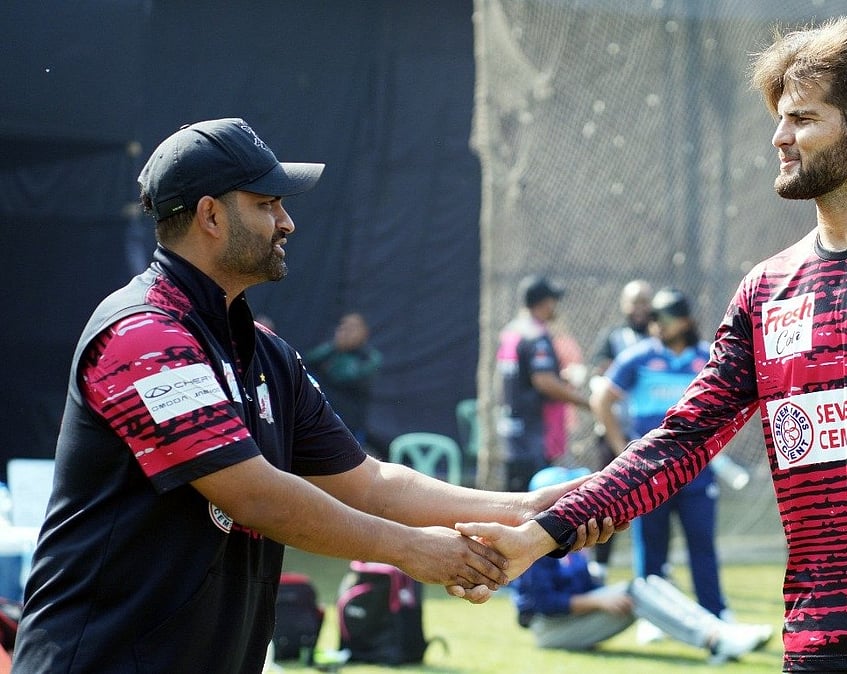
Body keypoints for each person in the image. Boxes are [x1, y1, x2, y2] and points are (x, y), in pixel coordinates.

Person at [460, 17, 847, 674]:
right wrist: (542, 534)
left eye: (802, 119)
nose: (779, 137)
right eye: (779, 118)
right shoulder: (765, 290)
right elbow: (683, 439)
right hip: (813, 651)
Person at [11, 118, 610, 673]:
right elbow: (252, 495)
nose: (287, 223)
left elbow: (369, 483)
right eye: (268, 204)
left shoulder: (265, 351)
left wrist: (524, 511)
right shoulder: (143, 334)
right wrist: (411, 550)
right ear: (211, 215)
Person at [509, 466, 770, 664]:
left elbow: (587, 586)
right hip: (549, 630)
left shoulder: (571, 541)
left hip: (574, 617)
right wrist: (599, 602)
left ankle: (718, 631)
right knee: (636, 591)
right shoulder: (534, 547)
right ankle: (717, 640)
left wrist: (600, 590)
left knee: (649, 583)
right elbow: (541, 604)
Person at [591, 287, 731, 638]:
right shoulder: (638, 357)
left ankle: (714, 614)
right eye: (652, 318)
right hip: (650, 474)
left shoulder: (706, 357)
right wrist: (621, 448)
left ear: (684, 320)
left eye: (663, 318)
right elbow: (601, 399)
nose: (656, 325)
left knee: (702, 543)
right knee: (651, 545)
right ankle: (653, 619)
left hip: (697, 471)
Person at [496, 274, 590, 492]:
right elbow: (543, 381)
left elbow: (523, 377)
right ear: (545, 302)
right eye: (553, 301)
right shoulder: (536, 336)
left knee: (513, 498)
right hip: (533, 435)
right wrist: (585, 403)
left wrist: (561, 377)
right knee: (533, 502)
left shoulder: (511, 332)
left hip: (512, 433)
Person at [586, 279, 653, 578]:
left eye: (644, 302)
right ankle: (599, 565)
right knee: (607, 499)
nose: (639, 308)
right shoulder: (614, 338)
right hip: (617, 433)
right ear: (625, 305)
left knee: (655, 504)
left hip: (651, 434)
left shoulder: (660, 338)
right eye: (634, 302)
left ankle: (655, 567)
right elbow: (600, 376)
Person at [305, 312, 383, 447]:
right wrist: (333, 347)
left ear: (364, 332)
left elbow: (343, 377)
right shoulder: (330, 351)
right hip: (321, 418)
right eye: (343, 326)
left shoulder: (370, 357)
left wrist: (332, 362)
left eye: (352, 328)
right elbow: (307, 361)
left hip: (350, 423)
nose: (345, 332)